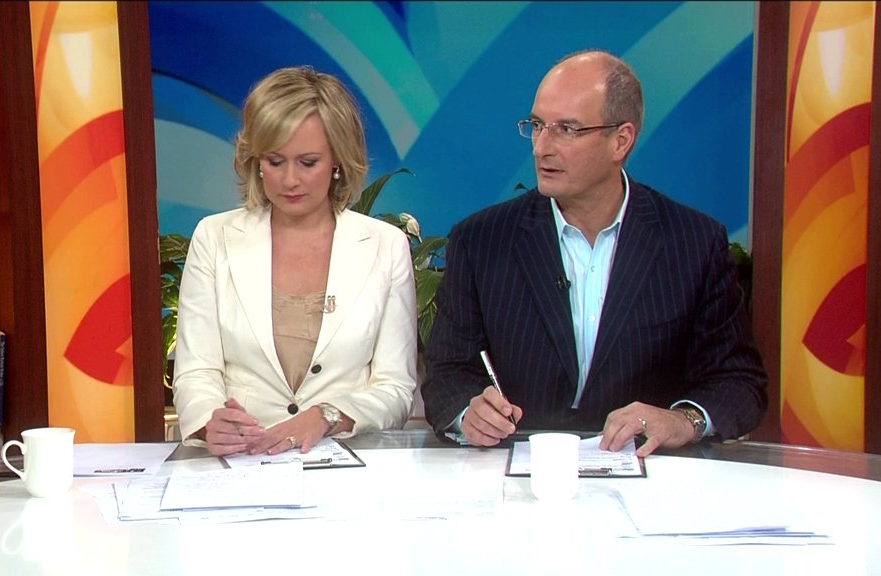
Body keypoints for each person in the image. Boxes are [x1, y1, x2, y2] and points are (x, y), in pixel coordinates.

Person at [420, 50, 767, 457]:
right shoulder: (482, 241)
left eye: (567, 129)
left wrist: (682, 420)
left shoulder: (692, 243)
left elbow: (738, 382)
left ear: (621, 140)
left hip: (649, 474)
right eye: (537, 126)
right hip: (517, 474)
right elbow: (447, 375)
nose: (541, 147)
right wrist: (469, 413)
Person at [173, 66, 418, 457]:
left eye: (307, 162)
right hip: (242, 462)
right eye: (275, 161)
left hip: (347, 463)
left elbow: (395, 388)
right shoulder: (214, 238)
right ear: (256, 160)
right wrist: (209, 421)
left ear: (337, 160)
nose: (290, 180)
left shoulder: (385, 246)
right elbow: (196, 371)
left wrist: (327, 416)